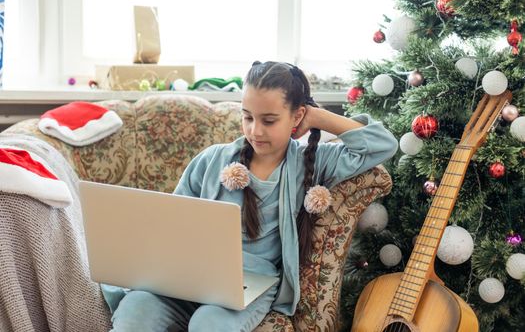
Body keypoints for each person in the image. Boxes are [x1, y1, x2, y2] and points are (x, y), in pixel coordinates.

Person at [103, 61, 398, 331]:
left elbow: (382, 144)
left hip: (251, 282)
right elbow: (172, 224)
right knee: (136, 309)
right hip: (190, 276)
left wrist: (317, 116)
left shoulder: (315, 161)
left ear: (296, 116)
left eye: (269, 121)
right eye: (248, 117)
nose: (255, 131)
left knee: (209, 325)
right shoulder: (211, 160)